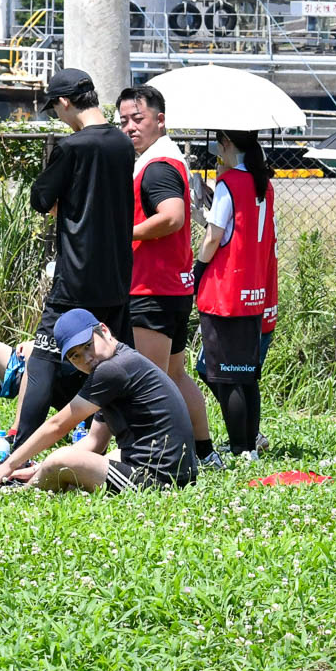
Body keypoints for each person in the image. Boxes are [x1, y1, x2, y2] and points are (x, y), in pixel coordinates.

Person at [10, 68, 136, 447]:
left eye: (55, 109)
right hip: (117, 277)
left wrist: (64, 204)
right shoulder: (123, 144)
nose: (58, 117)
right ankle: (132, 442)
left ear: (65, 102)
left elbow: (40, 199)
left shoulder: (72, 147)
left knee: (43, 359)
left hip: (76, 277)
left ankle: (21, 449)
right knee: (118, 361)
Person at [115, 85, 221, 468]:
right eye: (123, 120)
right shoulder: (166, 158)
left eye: (137, 118)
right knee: (175, 374)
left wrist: (120, 233)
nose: (130, 127)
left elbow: (172, 217)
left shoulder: (157, 165)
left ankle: (158, 458)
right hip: (172, 287)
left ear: (160, 120)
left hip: (152, 288)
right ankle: (204, 452)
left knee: (149, 380)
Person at [0, 312, 198, 494]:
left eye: (88, 345)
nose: (87, 358)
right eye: (75, 356)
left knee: (60, 459)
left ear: (104, 330)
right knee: (67, 466)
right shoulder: (116, 364)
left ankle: (19, 492)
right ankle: (33, 479)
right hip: (172, 474)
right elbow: (95, 442)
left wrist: (9, 464)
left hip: (159, 481)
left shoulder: (112, 369)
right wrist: (40, 469)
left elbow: (58, 425)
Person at [194, 130, 278, 458]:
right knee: (246, 375)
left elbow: (214, 237)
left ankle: (239, 448)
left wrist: (197, 270)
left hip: (225, 292)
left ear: (226, 143)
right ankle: (250, 445)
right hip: (254, 292)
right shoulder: (263, 183)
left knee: (226, 376)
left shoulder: (229, 183)